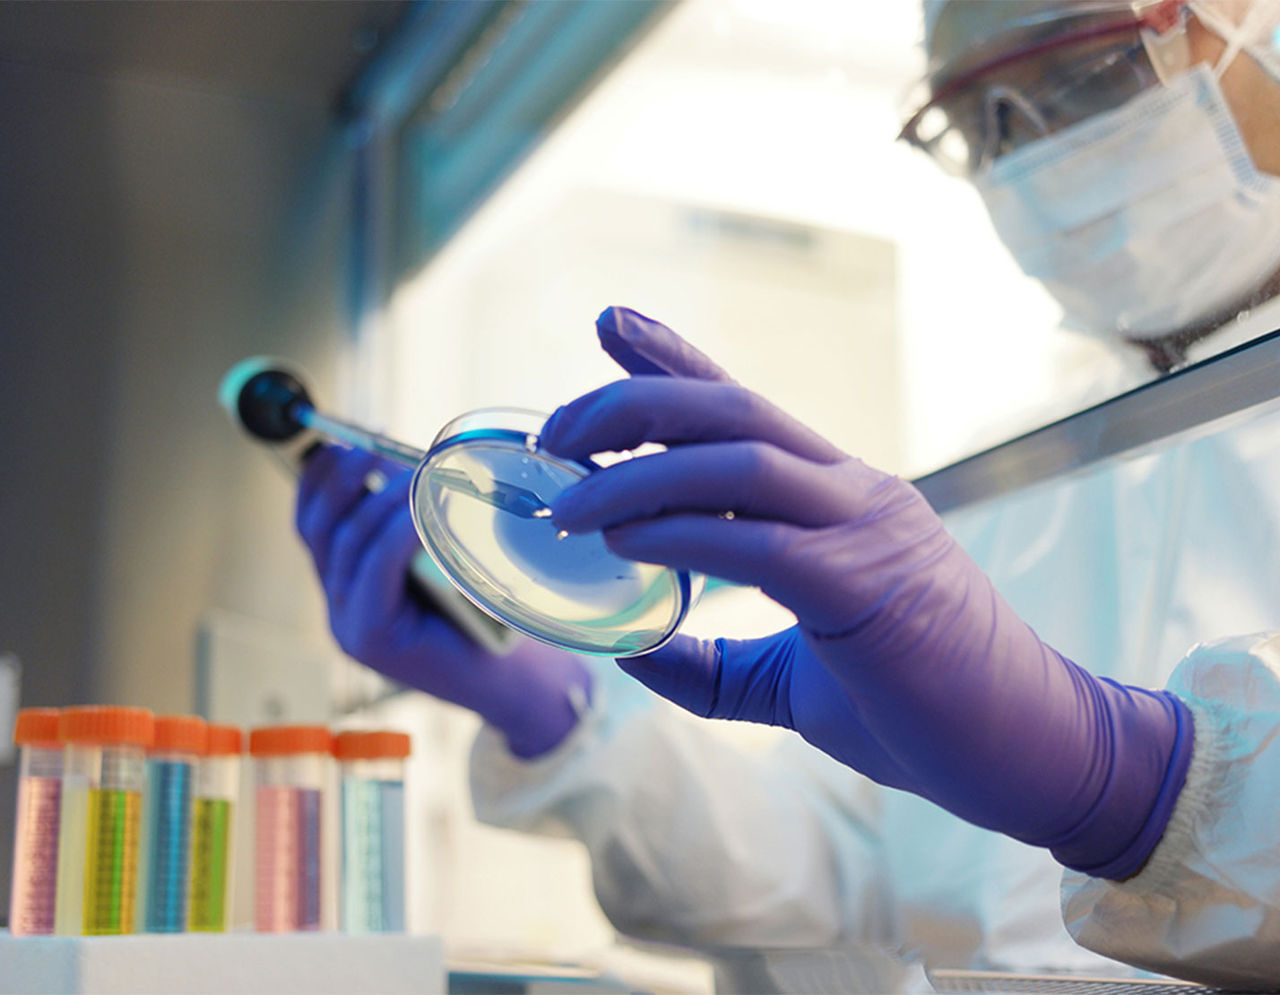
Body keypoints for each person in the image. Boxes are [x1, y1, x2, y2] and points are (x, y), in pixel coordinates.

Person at [295, 1, 1280, 988]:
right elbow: (831, 874)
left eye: (1082, 73)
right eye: (974, 121)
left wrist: (1138, 786)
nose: (1027, 153)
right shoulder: (1016, 475)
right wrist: (562, 715)